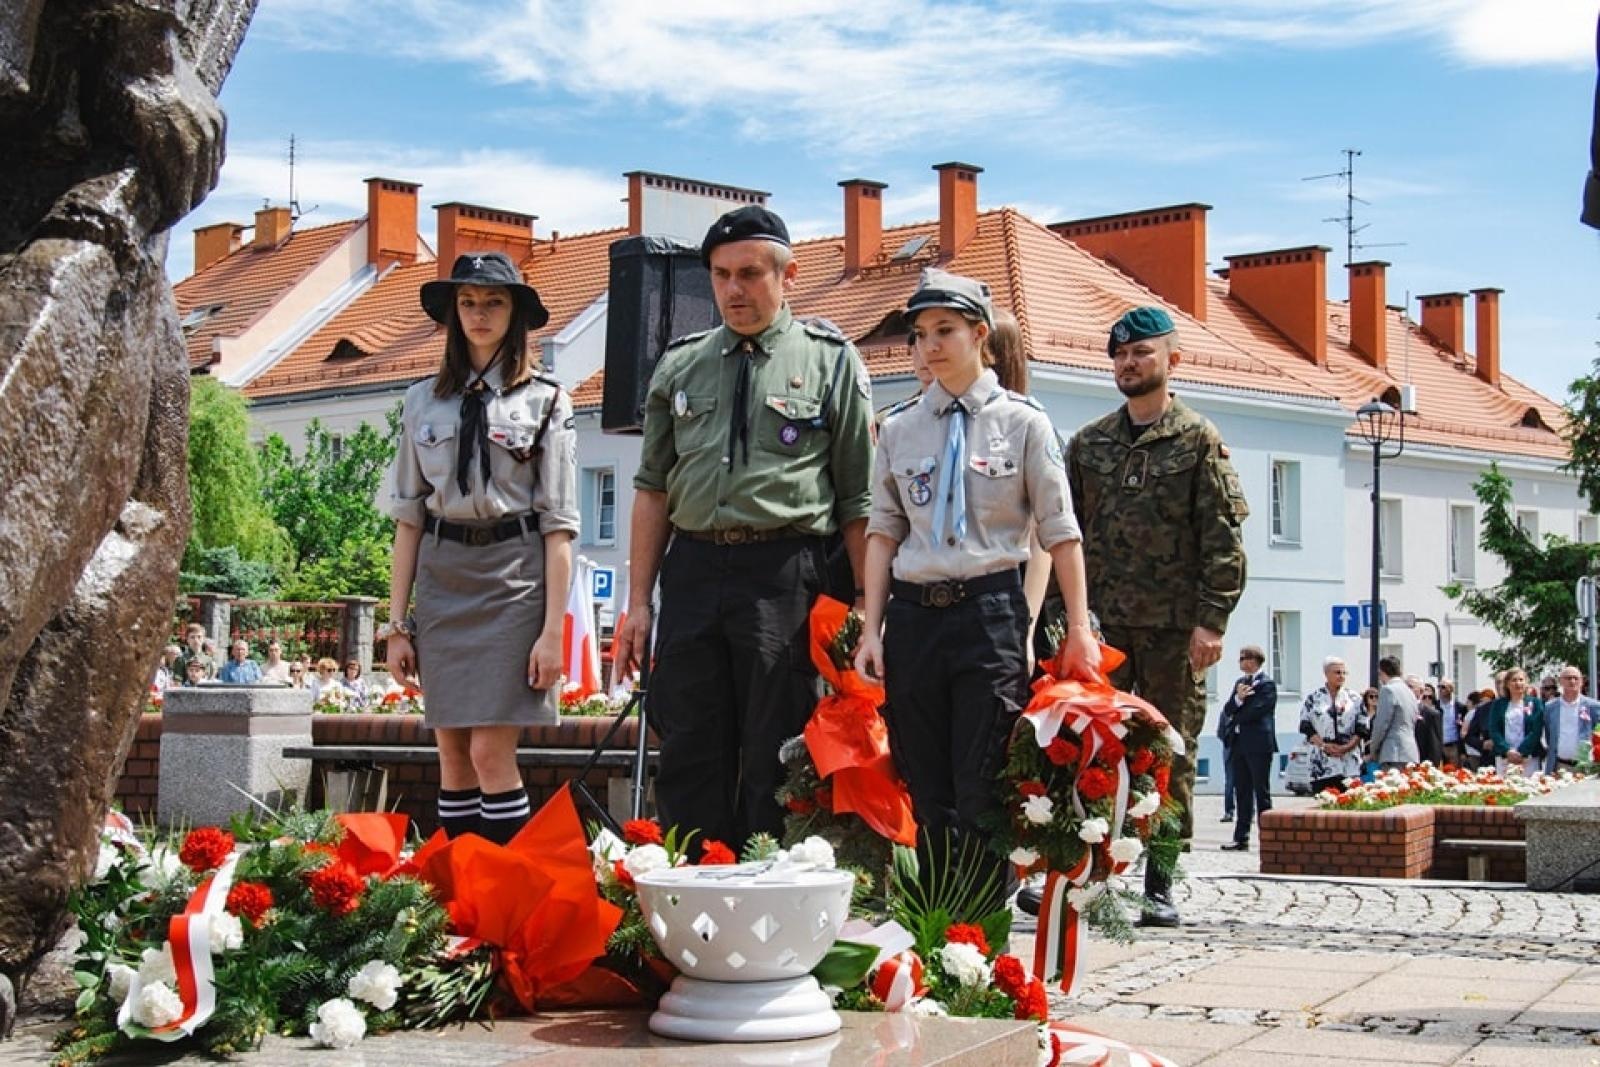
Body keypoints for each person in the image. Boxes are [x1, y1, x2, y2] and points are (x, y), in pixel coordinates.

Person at [611, 205, 873, 855]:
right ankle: (692, 907)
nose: (734, 290)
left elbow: (860, 500)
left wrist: (870, 602)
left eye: (750, 273)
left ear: (788, 274)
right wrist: (637, 602)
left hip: (786, 574)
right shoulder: (680, 365)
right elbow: (651, 489)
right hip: (694, 570)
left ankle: (769, 909)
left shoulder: (831, 361)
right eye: (721, 275)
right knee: (689, 749)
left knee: (776, 753)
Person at [855, 268, 1096, 909]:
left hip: (988, 609)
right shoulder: (900, 428)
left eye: (946, 331)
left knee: (981, 783)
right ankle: (940, 932)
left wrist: (1077, 627)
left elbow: (1060, 530)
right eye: (922, 333)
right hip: (914, 615)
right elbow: (883, 532)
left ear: (979, 335)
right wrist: (872, 629)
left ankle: (981, 938)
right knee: (926, 785)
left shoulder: (1023, 424)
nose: (931, 346)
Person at [382, 251, 577, 845]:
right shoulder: (422, 400)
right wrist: (396, 625)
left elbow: (560, 524)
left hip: (513, 576)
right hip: (444, 578)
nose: (478, 314)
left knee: (492, 753)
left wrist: (552, 632)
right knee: (453, 755)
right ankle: (462, 898)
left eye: (493, 302)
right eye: (467, 302)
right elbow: (409, 519)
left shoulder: (544, 399)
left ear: (515, 313)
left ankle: (503, 890)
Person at [1066, 306, 1249, 925]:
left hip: (1175, 630)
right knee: (1094, 750)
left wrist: (1212, 621)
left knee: (1169, 750)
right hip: (1103, 629)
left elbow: (1222, 539)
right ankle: (1086, 871)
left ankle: (1160, 880)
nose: (1128, 363)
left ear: (1174, 360)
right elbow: (1066, 534)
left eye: (1141, 352)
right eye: (1119, 354)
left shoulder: (1198, 439)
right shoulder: (1089, 445)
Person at [1219, 645, 1276, 851]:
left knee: (1261, 790)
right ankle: (1241, 837)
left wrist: (1239, 710)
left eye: (1244, 658)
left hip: (1259, 744)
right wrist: (1237, 699)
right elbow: (1227, 709)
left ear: (1253, 660)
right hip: (1239, 743)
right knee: (1241, 790)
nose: (1241, 662)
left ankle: (1269, 837)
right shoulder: (1240, 683)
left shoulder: (1267, 684)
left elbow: (1258, 710)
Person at [1299, 655, 1365, 794]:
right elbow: (1306, 726)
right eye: (1337, 672)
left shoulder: (1354, 698)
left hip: (1349, 761)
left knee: (1350, 804)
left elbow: (1362, 728)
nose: (1341, 676)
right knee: (1324, 806)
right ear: (1326, 674)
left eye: (1343, 672)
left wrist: (1346, 747)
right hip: (1322, 762)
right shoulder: (1314, 698)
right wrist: (1323, 745)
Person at [1484, 667, 1544, 775]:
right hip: (1505, 758)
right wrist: (1507, 751)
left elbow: (1536, 730)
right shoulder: (1498, 705)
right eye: (1514, 680)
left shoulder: (1535, 703)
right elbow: (1494, 729)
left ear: (1526, 683)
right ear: (1507, 684)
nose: (1518, 683)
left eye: (1521, 680)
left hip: (1528, 758)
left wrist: (1521, 752)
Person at [1540, 665, 1600, 772]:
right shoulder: (1550, 707)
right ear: (1561, 681)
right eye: (1568, 678)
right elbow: (1549, 737)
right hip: (1559, 766)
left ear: (1581, 681)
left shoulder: (1594, 706)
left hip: (1585, 767)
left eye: (1575, 678)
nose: (1572, 681)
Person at [1370, 656, 1421, 771]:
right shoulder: (1409, 691)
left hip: (1394, 752)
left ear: (1382, 672)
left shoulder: (1388, 690)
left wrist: (1373, 749)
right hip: (1410, 751)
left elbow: (1382, 724)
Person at [1411, 676, 1445, 765]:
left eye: (1410, 687)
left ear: (1420, 691)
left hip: (1422, 763)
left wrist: (1429, 768)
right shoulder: (1398, 711)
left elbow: (1435, 746)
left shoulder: (1432, 714)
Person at [1216, 696, 1237, 822]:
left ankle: (1250, 812)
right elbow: (1220, 732)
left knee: (1247, 783)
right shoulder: (1226, 712)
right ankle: (1229, 812)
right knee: (1230, 783)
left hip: (1243, 751)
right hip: (1230, 751)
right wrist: (1228, 741)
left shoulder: (1247, 710)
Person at [1438, 679, 1466, 766]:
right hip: (1438, 745)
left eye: (1443, 687)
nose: (1440, 690)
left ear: (1451, 689)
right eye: (1438, 687)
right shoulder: (1435, 706)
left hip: (1453, 746)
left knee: (1453, 772)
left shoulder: (1460, 707)